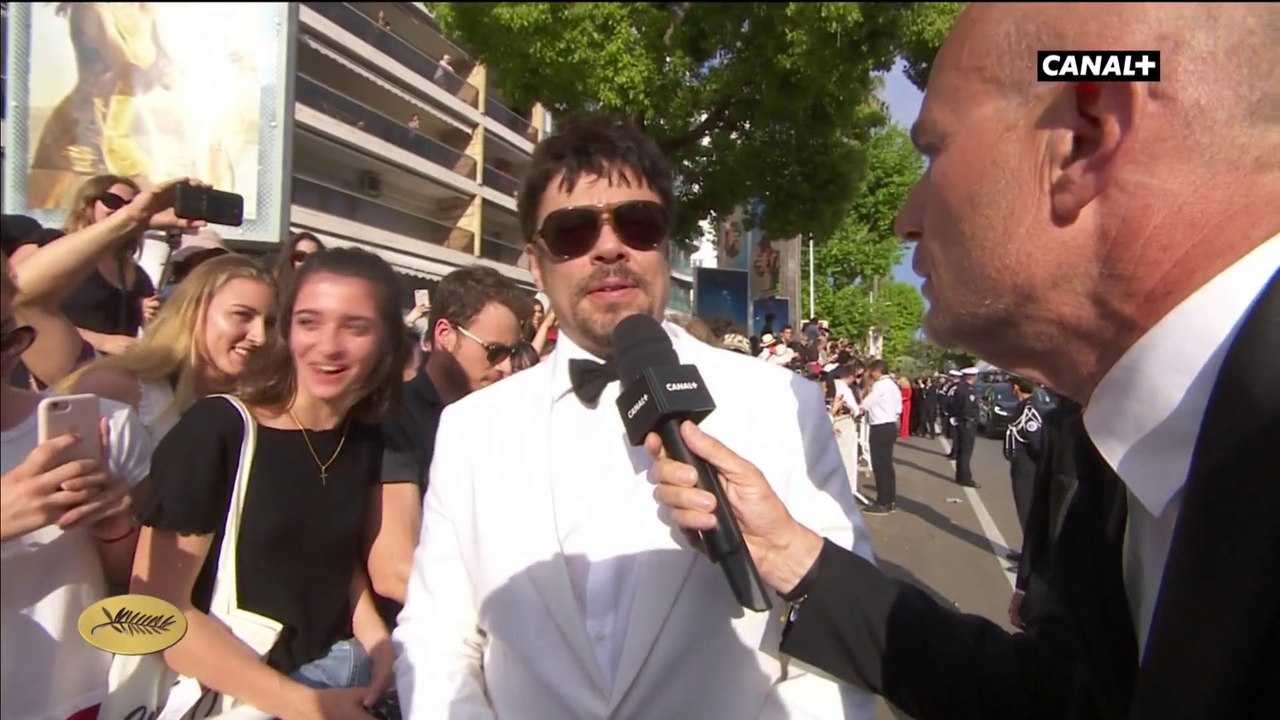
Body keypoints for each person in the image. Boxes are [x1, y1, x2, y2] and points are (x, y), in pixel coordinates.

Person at [648, 3, 1280, 718]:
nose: (904, 217)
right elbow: (1055, 699)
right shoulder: (1108, 450)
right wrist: (791, 554)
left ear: (1082, 137)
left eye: (934, 151)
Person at [393, 113, 875, 719]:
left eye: (637, 223)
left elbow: (831, 653)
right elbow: (438, 632)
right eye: (572, 232)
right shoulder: (470, 428)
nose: (609, 246)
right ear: (536, 264)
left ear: (664, 247)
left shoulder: (784, 404)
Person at [131, 248, 409, 718]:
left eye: (355, 327)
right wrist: (305, 705)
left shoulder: (362, 437)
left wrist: (380, 645)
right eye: (309, 322)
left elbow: (331, 561)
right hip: (246, 693)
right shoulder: (218, 430)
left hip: (349, 677)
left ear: (388, 343)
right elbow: (157, 611)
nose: (328, 345)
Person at [1, 258, 152, 720]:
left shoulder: (108, 427)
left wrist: (114, 527)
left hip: (77, 698)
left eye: (8, 337)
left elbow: (142, 591)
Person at [367, 264, 525, 626]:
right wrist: (505, 627)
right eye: (494, 351)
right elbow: (394, 570)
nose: (505, 367)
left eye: (511, 354)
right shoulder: (396, 418)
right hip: (421, 645)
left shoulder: (497, 424)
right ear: (444, 334)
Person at [858, 359, 901, 515]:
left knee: (880, 466)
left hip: (880, 427)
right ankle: (890, 500)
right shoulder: (893, 386)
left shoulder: (880, 386)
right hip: (890, 425)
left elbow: (866, 404)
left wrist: (859, 407)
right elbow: (898, 408)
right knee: (887, 465)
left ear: (877, 371)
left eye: (871, 371)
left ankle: (882, 501)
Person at [1003, 376, 1043, 535]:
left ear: (1016, 388)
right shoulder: (1022, 407)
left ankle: (1030, 554)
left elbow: (1037, 443)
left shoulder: (1029, 411)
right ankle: (1027, 549)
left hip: (1027, 466)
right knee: (1023, 508)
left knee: (1026, 508)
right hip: (1020, 464)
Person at [950, 367, 981, 488]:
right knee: (966, 452)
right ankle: (965, 478)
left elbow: (954, 406)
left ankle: (960, 475)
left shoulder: (961, 389)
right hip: (967, 423)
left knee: (962, 451)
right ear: (972, 377)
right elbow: (967, 409)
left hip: (962, 422)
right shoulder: (966, 391)